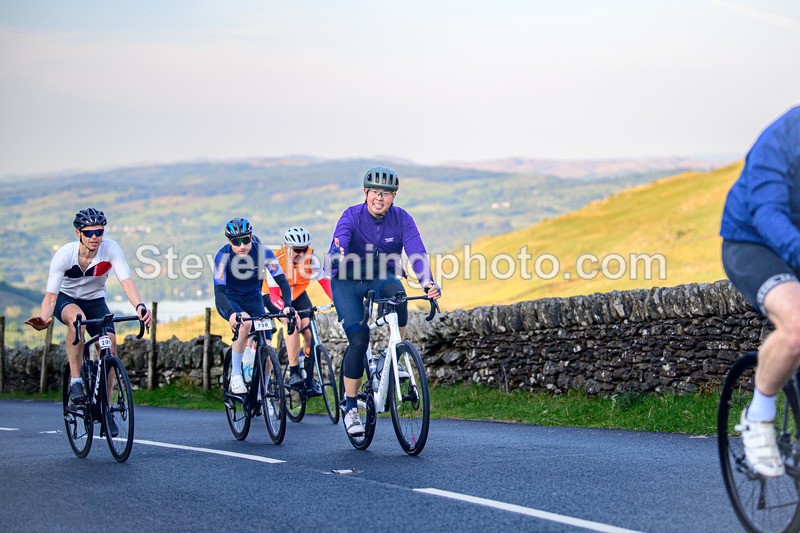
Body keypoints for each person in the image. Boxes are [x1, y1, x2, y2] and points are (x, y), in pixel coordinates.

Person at [328, 166, 441, 437]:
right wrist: (339, 250)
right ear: (366, 193)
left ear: (393, 197)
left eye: (387, 193)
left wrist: (428, 282)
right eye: (376, 192)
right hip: (347, 281)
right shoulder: (352, 215)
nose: (381, 197)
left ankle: (394, 354)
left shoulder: (402, 219)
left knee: (397, 291)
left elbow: (417, 251)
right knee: (359, 338)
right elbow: (341, 238)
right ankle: (351, 407)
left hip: (379, 277)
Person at [720, 105, 800, 477]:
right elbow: (767, 212)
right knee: (797, 324)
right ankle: (759, 415)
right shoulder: (781, 138)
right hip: (752, 243)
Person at [25, 208, 153, 435]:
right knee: (78, 320)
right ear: (78, 233)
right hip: (67, 299)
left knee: (109, 345)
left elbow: (126, 282)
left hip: (95, 300)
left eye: (100, 231)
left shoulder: (111, 249)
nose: (95, 237)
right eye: (90, 232)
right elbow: (51, 296)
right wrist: (45, 318)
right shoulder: (65, 255)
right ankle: (76, 381)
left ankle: (106, 406)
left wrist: (140, 306)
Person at [213, 217, 294, 394]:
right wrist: (231, 313)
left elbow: (282, 282)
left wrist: (287, 305)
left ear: (251, 236)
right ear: (229, 242)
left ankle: (262, 392)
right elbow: (219, 292)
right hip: (230, 300)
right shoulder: (222, 256)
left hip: (253, 299)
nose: (242, 245)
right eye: (236, 241)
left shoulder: (263, 252)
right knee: (246, 323)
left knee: (268, 350)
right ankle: (236, 375)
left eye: (246, 240)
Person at [262, 226, 333, 392]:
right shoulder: (276, 260)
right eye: (296, 250)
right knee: (293, 323)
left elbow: (325, 282)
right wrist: (287, 310)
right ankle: (294, 371)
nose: (301, 254)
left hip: (299, 295)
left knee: (309, 332)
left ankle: (309, 378)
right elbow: (273, 295)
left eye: (304, 249)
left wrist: (335, 299)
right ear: (287, 247)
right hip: (275, 296)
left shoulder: (310, 259)